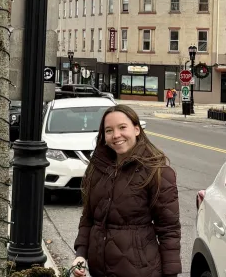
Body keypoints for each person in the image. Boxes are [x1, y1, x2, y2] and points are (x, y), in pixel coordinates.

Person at [72, 105, 181, 277]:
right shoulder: (97, 169)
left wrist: (170, 274)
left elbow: (169, 230)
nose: (116, 135)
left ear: (137, 129)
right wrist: (80, 254)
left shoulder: (157, 172)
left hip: (140, 271)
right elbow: (89, 218)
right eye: (109, 130)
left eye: (122, 127)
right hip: (98, 271)